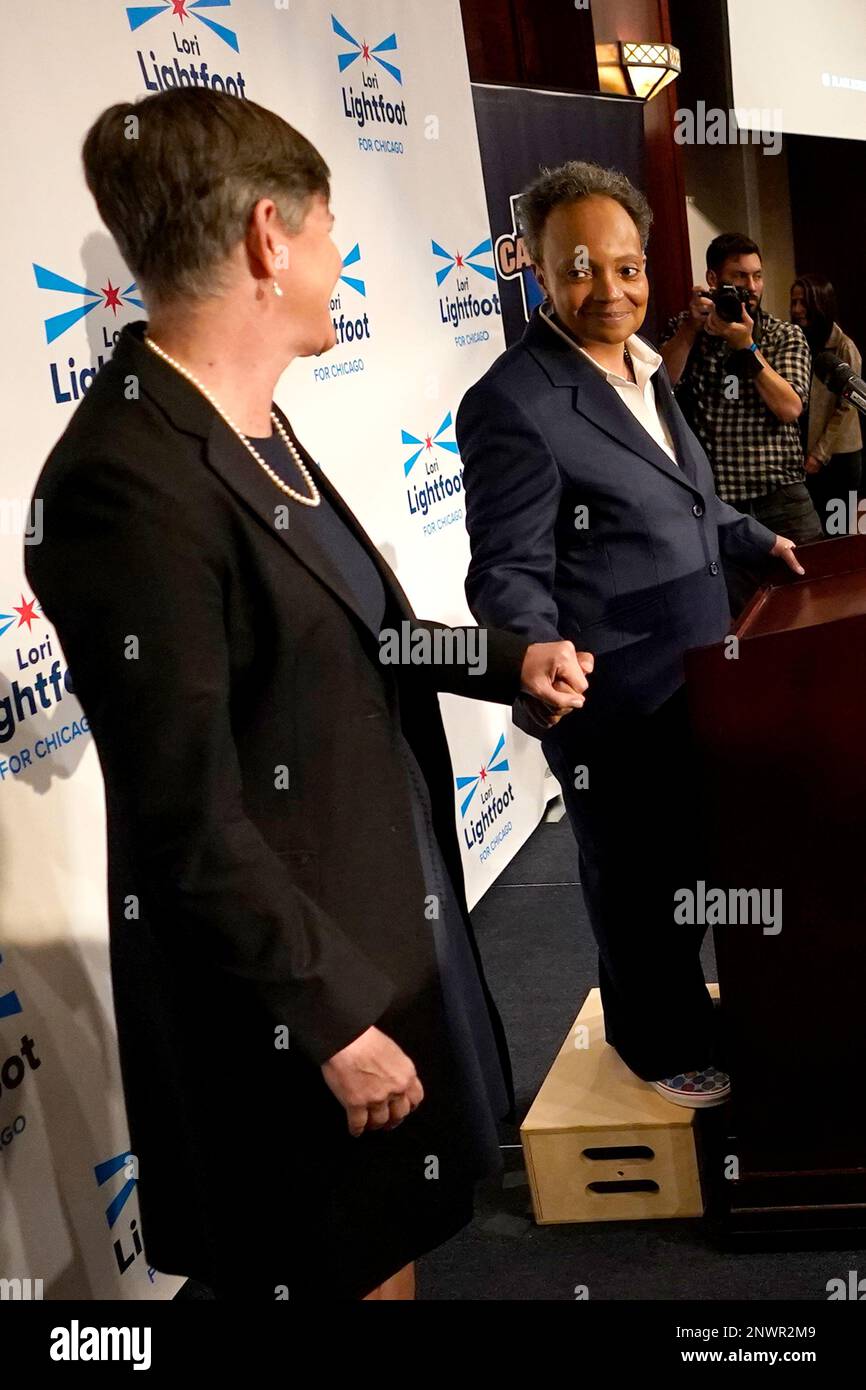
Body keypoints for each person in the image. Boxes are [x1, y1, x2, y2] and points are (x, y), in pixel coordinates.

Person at [24, 89, 590, 1302]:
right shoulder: (123, 485)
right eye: (332, 232)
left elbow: (365, 637)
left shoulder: (249, 426)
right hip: (286, 997)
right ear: (270, 240)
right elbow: (186, 818)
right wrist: (325, 1017)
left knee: (385, 1248)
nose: (341, 265)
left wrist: (504, 662)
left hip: (375, 928)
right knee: (331, 1266)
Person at [456, 161, 803, 1109]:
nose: (610, 291)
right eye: (580, 270)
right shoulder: (514, 400)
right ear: (532, 267)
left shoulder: (645, 366)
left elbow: (686, 501)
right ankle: (654, 1043)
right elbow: (507, 566)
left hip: (699, 676)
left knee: (692, 863)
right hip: (611, 701)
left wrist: (752, 535)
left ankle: (684, 1012)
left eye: (628, 267)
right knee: (641, 886)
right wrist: (528, 644)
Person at [660, 232, 822, 615]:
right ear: (713, 280)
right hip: (722, 505)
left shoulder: (784, 334)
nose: (751, 287)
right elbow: (658, 386)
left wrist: (746, 347)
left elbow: (789, 408)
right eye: (740, 276)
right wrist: (689, 329)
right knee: (736, 619)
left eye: (758, 276)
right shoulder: (687, 330)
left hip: (783, 497)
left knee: (812, 604)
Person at [790, 273, 863, 533]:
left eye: (804, 303)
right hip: (806, 457)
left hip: (838, 458)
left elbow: (847, 408)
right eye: (794, 302)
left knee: (840, 531)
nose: (797, 309)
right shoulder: (795, 342)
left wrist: (820, 454)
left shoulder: (844, 347)